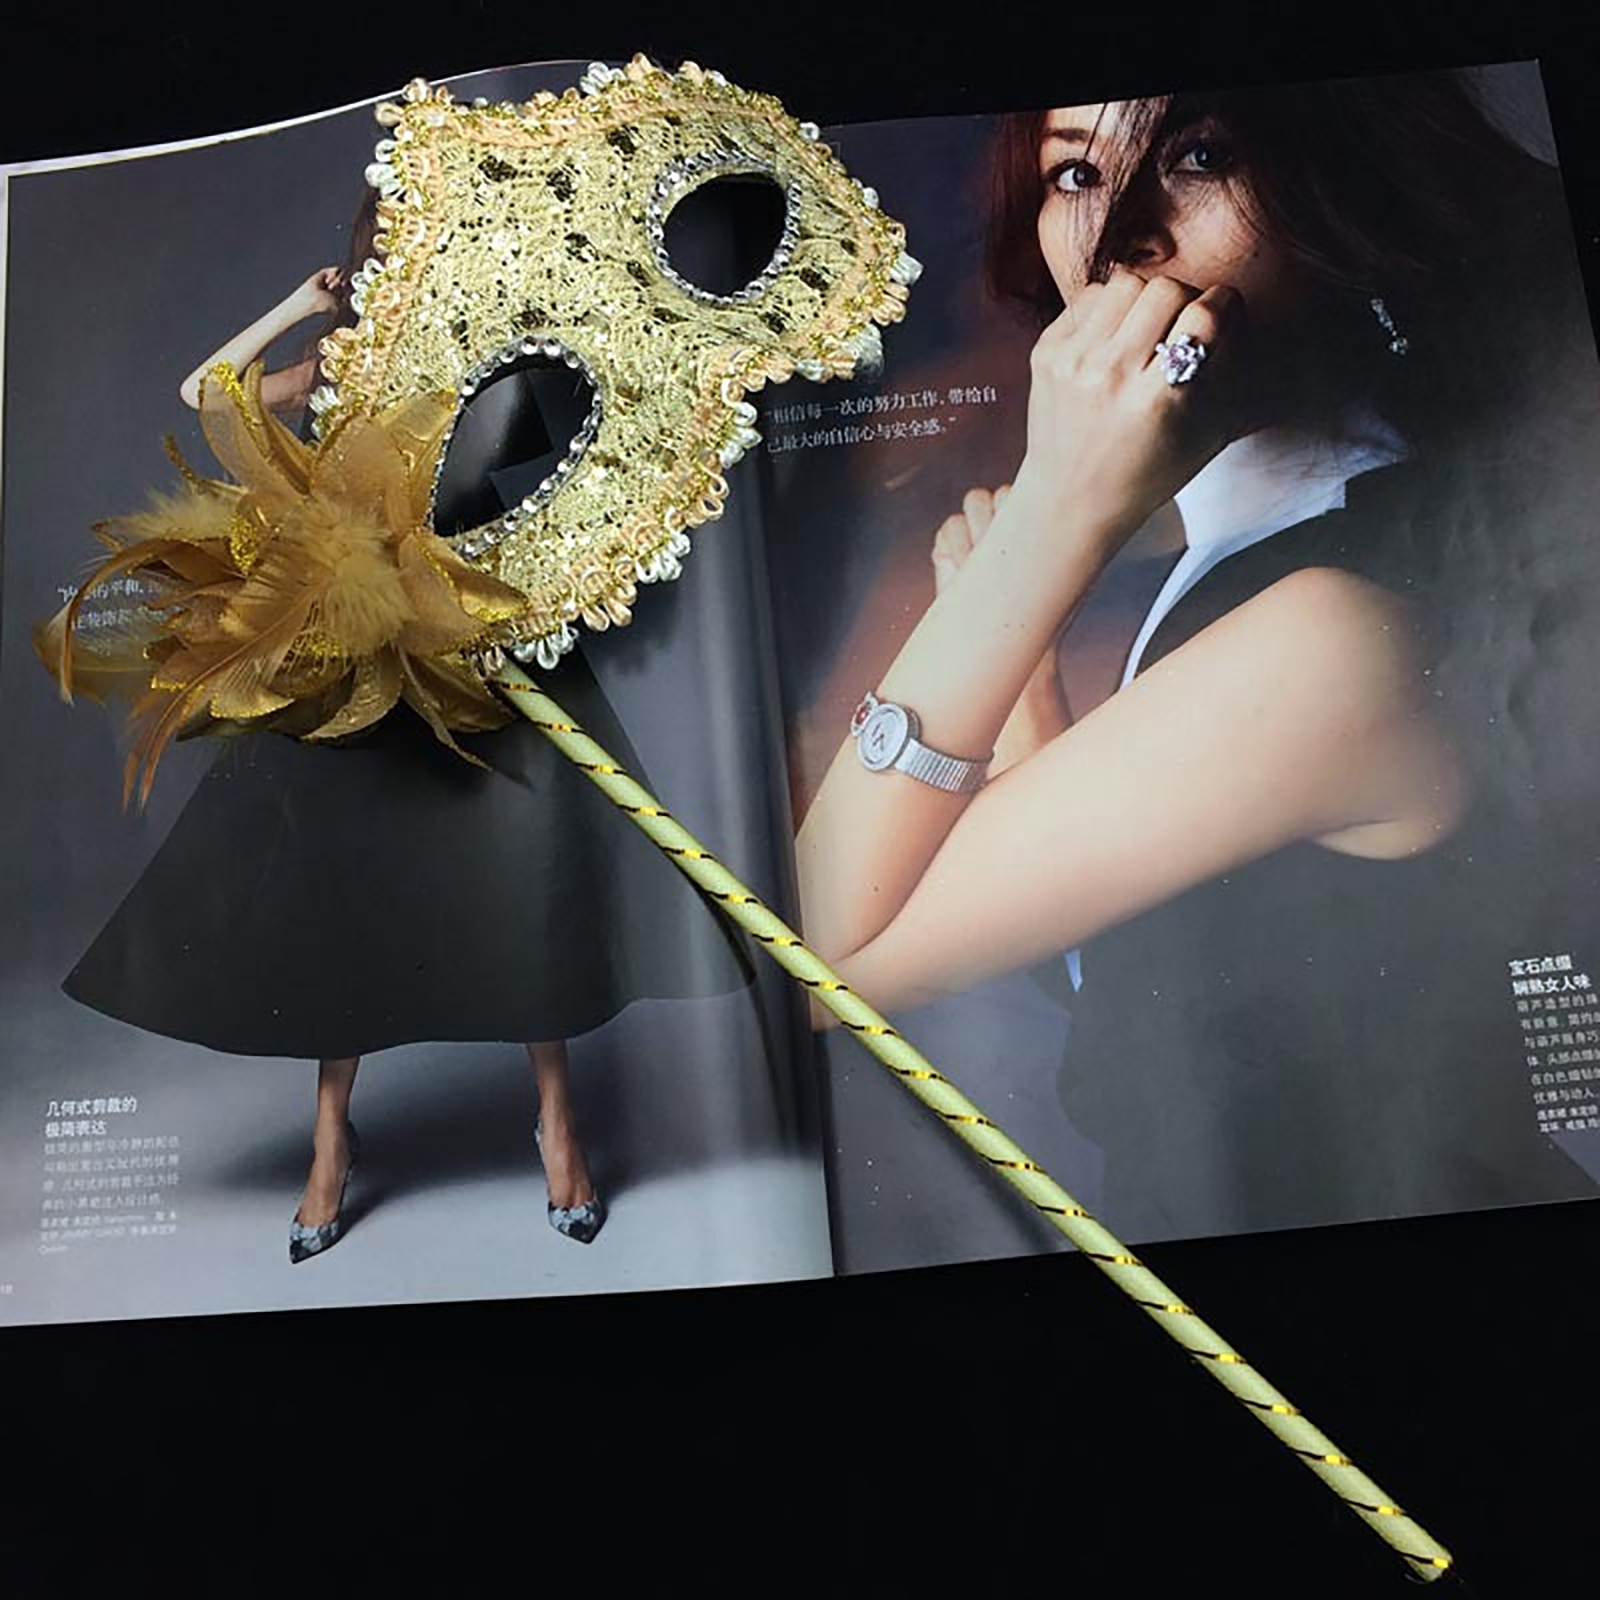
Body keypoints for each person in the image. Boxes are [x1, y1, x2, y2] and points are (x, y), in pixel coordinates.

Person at [795, 74, 1600, 1242]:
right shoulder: (1306, 532)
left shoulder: (1328, 637)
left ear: (1343, 191)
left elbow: (804, 959)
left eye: (1201, 157)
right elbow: (1136, 985)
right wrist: (1033, 693)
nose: (1119, 239)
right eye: (1075, 171)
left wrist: (1049, 523)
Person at [63, 188, 752, 1261]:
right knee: (341, 897)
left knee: (527, 880)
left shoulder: (493, 359)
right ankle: (330, 1144)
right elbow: (205, 395)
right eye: (399, 238)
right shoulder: (337, 359)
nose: (417, 253)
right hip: (360, 661)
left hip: (481, 646)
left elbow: (559, 477)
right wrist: (302, 305)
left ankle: (557, 1126)